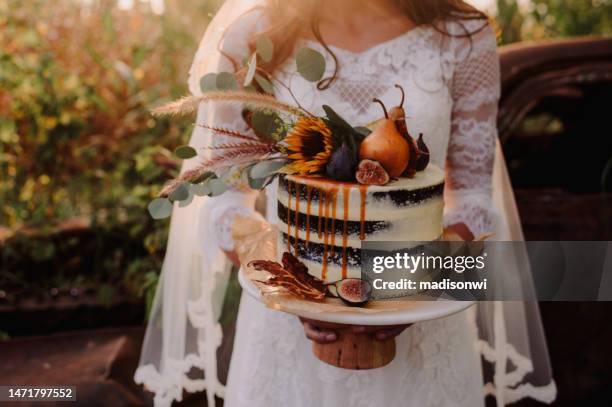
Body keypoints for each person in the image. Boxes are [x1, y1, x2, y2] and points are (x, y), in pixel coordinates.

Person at [135, 1, 556, 406]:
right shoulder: (253, 35)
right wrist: (293, 287)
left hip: (425, 329)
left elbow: (472, 199)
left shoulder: (464, 36)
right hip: (284, 333)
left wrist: (414, 287)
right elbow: (223, 197)